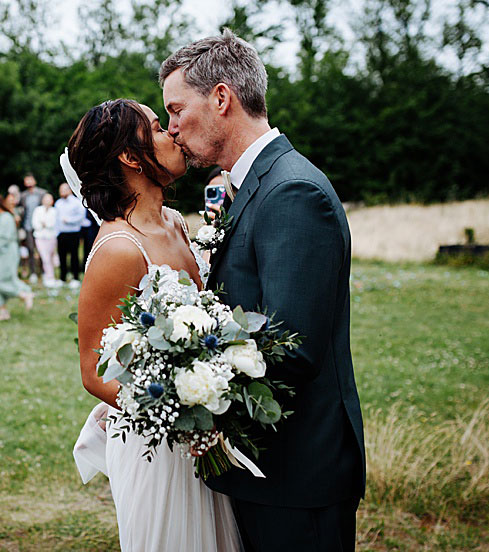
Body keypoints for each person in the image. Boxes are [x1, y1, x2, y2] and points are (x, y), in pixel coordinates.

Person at [161, 29, 366, 551]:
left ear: (222, 98)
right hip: (265, 468)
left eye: (177, 109)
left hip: (298, 473)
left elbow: (291, 346)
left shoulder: (291, 191)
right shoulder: (250, 185)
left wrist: (183, 383)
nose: (171, 128)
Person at [67, 98, 230, 551]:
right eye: (159, 127)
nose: (174, 132)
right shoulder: (119, 248)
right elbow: (93, 370)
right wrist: (183, 418)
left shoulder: (176, 223)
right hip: (158, 450)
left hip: (207, 436)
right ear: (130, 156)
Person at [0, 193, 33, 321]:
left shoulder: (6, 217)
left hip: (8, 252)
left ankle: (23, 294)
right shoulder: (2, 218)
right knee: (2, 279)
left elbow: (5, 237)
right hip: (3, 252)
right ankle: (3, 311)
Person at [55, 182, 86, 288]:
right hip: (61, 233)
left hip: (73, 232)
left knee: (74, 256)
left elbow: (81, 217)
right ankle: (62, 278)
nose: (61, 192)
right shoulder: (58, 203)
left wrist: (69, 221)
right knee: (62, 256)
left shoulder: (76, 202)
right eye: (60, 190)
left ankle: (75, 278)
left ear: (69, 190)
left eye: (64, 189)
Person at [18, 174, 46, 283]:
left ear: (34, 181)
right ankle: (33, 272)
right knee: (30, 249)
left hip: (40, 227)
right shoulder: (23, 195)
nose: (28, 182)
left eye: (30, 180)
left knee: (41, 249)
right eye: (26, 181)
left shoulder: (42, 193)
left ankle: (43, 271)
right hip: (28, 226)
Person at [32, 192, 60, 288]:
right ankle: (49, 277)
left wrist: (45, 224)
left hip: (51, 236)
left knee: (51, 257)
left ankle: (50, 276)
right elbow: (35, 223)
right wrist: (43, 225)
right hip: (40, 237)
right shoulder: (38, 210)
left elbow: (53, 223)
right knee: (45, 257)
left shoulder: (54, 211)